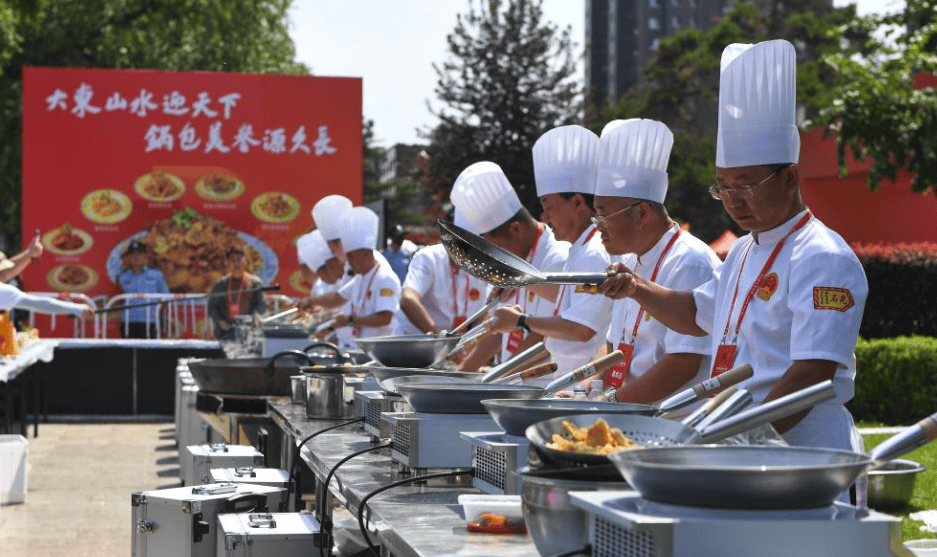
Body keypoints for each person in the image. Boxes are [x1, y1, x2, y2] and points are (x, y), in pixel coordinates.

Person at [597, 40, 868, 459]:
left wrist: (745, 439)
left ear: (790, 176)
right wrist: (636, 288)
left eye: (745, 185)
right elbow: (693, 314)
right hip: (738, 441)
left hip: (800, 449)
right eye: (723, 187)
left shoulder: (821, 256)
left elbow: (812, 374)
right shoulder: (742, 251)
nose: (733, 201)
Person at [593, 118, 721, 404]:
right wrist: (586, 388)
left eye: (603, 215)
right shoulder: (629, 261)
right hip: (629, 411)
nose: (597, 226)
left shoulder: (690, 262)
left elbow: (683, 364)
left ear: (641, 213)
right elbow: (614, 344)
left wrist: (614, 405)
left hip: (674, 421)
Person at [489, 125, 612, 376]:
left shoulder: (593, 253)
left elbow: (581, 329)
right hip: (566, 382)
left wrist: (520, 322)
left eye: (549, 206)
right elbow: (565, 302)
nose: (544, 216)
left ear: (577, 202)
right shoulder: (578, 251)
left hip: (581, 388)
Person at [449, 161, 569, 371]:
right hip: (512, 382)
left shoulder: (556, 257)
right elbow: (496, 334)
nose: (496, 260)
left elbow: (543, 339)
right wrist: (461, 376)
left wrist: (497, 377)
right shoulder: (512, 265)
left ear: (516, 229)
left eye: (498, 248)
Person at [299, 207, 401, 339]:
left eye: (351, 256)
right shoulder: (359, 278)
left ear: (365, 253)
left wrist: (350, 321)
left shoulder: (385, 279)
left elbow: (385, 318)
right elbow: (337, 298)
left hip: (380, 353)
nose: (348, 261)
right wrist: (309, 301)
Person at [392, 212, 488, 337]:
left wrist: (469, 341)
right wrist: (441, 339)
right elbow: (408, 299)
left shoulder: (479, 266)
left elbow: (481, 315)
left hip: (454, 346)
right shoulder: (428, 257)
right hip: (416, 342)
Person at [311, 195, 356, 348]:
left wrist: (309, 302)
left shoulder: (365, 266)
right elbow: (340, 299)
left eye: (332, 250)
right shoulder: (351, 266)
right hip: (350, 345)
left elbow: (338, 299)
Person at [207, 246, 267, 341]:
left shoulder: (254, 282)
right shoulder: (221, 284)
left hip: (249, 332)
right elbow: (212, 306)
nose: (236, 263)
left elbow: (262, 306)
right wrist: (220, 322)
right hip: (226, 332)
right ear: (227, 263)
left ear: (245, 261)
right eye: (232, 260)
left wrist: (254, 318)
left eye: (239, 259)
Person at [114, 240, 169, 339]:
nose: (136, 257)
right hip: (129, 322)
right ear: (129, 257)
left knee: (149, 352)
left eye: (139, 253)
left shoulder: (157, 274)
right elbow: (117, 300)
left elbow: (165, 298)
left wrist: (163, 321)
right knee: (129, 352)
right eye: (133, 254)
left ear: (145, 256)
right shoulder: (122, 277)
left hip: (151, 321)